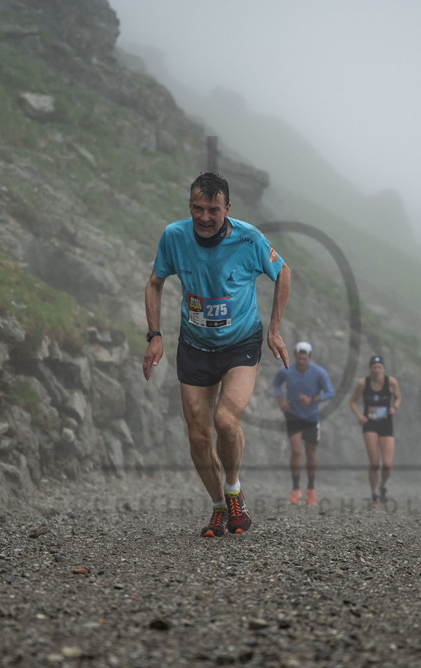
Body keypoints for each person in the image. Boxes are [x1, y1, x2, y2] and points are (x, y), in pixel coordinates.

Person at [143, 172, 291, 537]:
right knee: (198, 435)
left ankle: (234, 490)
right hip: (194, 346)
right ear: (189, 206)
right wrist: (155, 336)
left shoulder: (249, 238)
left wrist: (274, 328)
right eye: (197, 208)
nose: (205, 217)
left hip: (240, 345)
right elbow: (154, 283)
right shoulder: (174, 236)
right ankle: (218, 508)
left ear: (228, 208)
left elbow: (283, 272)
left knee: (225, 421)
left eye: (213, 210)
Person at [272, 341, 335, 506]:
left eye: (304, 359)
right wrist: (281, 402)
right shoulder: (287, 370)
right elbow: (276, 384)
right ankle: (295, 490)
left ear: (310, 357)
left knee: (311, 454)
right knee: (296, 451)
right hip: (293, 415)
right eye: (299, 359)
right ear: (294, 356)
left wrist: (313, 399)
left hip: (312, 417)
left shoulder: (319, 373)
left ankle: (311, 489)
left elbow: (330, 392)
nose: (301, 362)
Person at [349, 355, 401, 507]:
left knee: (387, 465)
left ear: (383, 368)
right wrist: (359, 416)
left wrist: (394, 407)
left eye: (379, 367)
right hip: (370, 424)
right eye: (374, 367)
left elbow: (398, 397)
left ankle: (383, 485)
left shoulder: (391, 382)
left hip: (386, 424)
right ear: (370, 369)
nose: (377, 370)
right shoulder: (363, 383)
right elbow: (352, 401)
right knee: (374, 464)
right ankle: (374, 494)